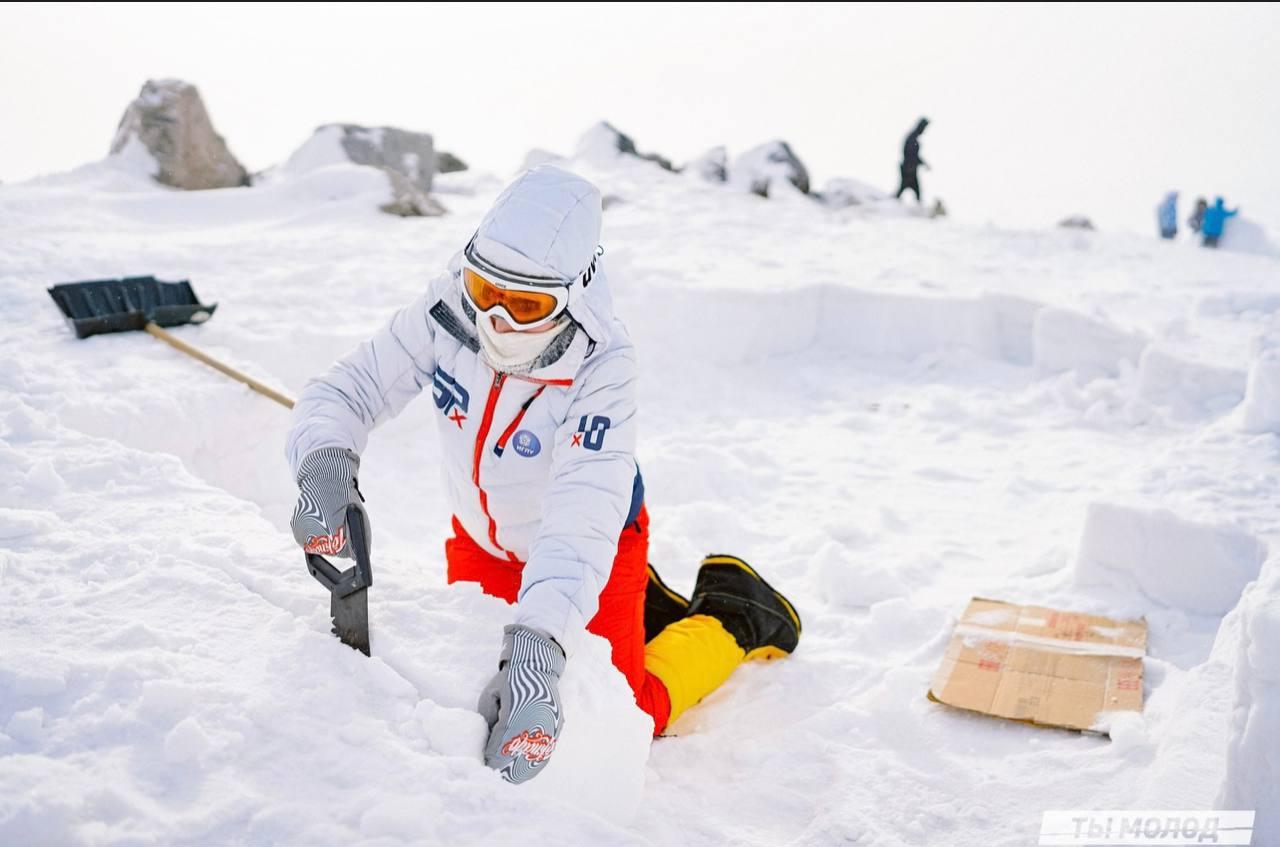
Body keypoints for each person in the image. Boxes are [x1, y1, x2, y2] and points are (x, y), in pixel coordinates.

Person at [285, 165, 801, 784]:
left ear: (572, 297)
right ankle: (635, 606)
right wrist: (323, 461)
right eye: (485, 290)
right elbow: (352, 387)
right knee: (471, 667)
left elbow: (582, 511)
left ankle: (733, 616)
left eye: (526, 304)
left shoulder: (604, 363)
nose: (497, 319)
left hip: (590, 539)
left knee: (625, 709)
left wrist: (538, 650)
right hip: (482, 537)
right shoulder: (450, 304)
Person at [895, 117, 930, 203]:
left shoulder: (913, 137)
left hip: (910, 169)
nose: (924, 130)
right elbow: (911, 155)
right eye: (924, 127)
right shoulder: (912, 138)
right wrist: (912, 167)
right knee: (911, 191)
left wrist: (923, 163)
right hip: (909, 170)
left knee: (913, 192)